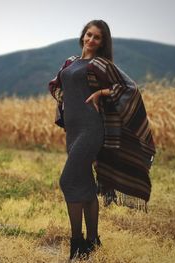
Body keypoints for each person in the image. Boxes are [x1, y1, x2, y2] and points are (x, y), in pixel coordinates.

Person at [48, 20, 156, 260]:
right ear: (83, 35)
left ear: (103, 42)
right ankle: (93, 241)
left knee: (68, 181)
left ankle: (76, 245)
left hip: (91, 128)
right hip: (74, 131)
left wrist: (102, 92)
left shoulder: (101, 64)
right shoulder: (71, 62)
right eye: (88, 34)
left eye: (97, 37)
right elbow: (62, 90)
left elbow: (130, 88)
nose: (91, 40)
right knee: (84, 182)